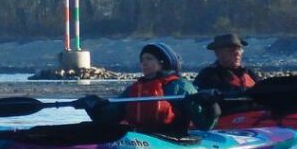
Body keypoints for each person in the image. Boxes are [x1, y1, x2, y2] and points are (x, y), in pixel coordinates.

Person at [82, 41, 215, 136]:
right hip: (140, 137)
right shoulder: (134, 89)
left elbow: (204, 124)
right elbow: (111, 117)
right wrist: (93, 106)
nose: (144, 63)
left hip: (174, 139)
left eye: (149, 59)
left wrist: (210, 104)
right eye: (142, 60)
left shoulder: (180, 86)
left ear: (162, 63)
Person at [192, 32, 260, 114]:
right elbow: (198, 97)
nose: (237, 53)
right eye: (231, 50)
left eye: (239, 49)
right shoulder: (208, 75)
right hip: (227, 118)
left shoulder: (250, 74)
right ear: (218, 53)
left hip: (256, 117)